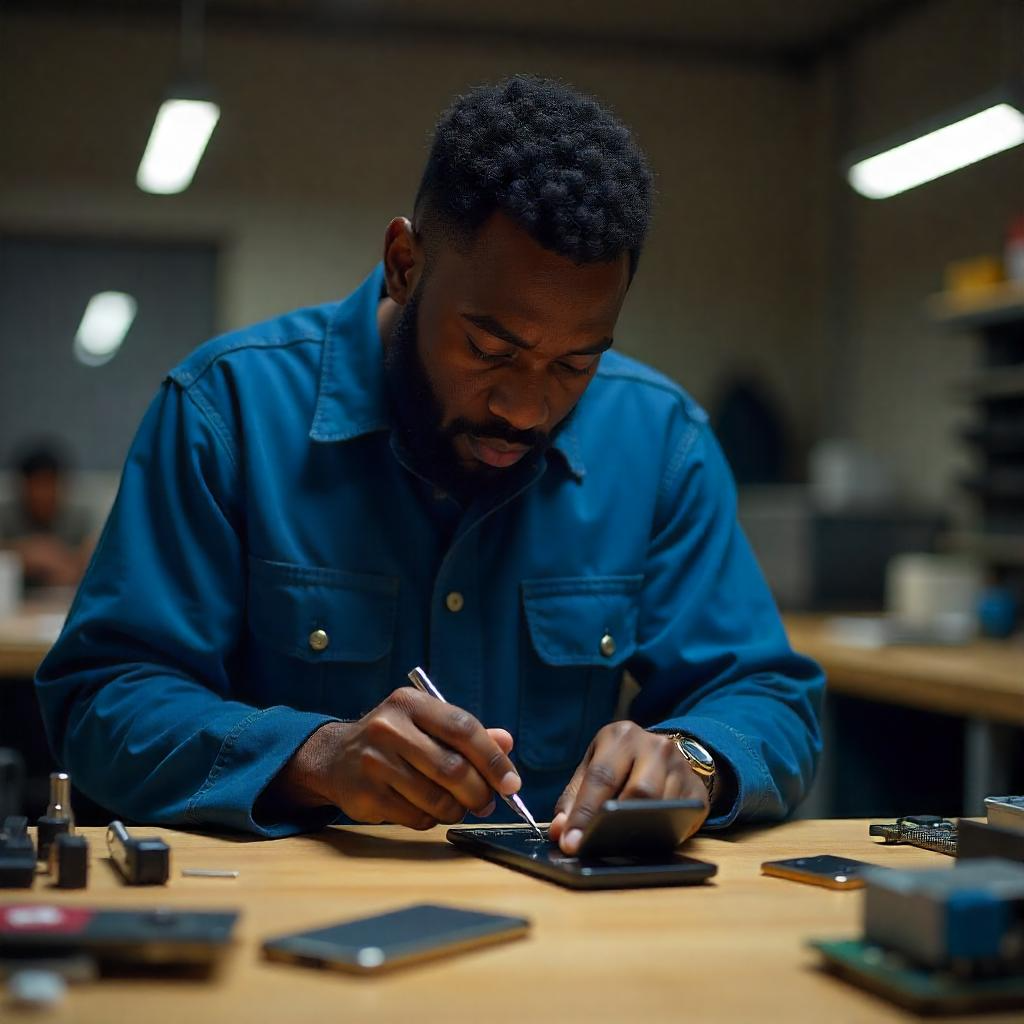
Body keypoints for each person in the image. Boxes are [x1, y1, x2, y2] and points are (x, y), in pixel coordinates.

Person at [36, 76, 823, 852]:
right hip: (292, 934)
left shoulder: (659, 440)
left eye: (574, 364)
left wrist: (691, 759)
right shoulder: (226, 410)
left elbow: (767, 699)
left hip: (564, 935)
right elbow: (103, 702)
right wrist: (313, 759)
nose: (526, 408)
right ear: (404, 263)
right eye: (489, 349)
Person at [0, 445, 94, 590]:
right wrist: (22, 553)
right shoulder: (6, 516)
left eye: (49, 483)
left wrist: (68, 564)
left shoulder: (79, 516)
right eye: (37, 485)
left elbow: (91, 556)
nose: (43, 494)